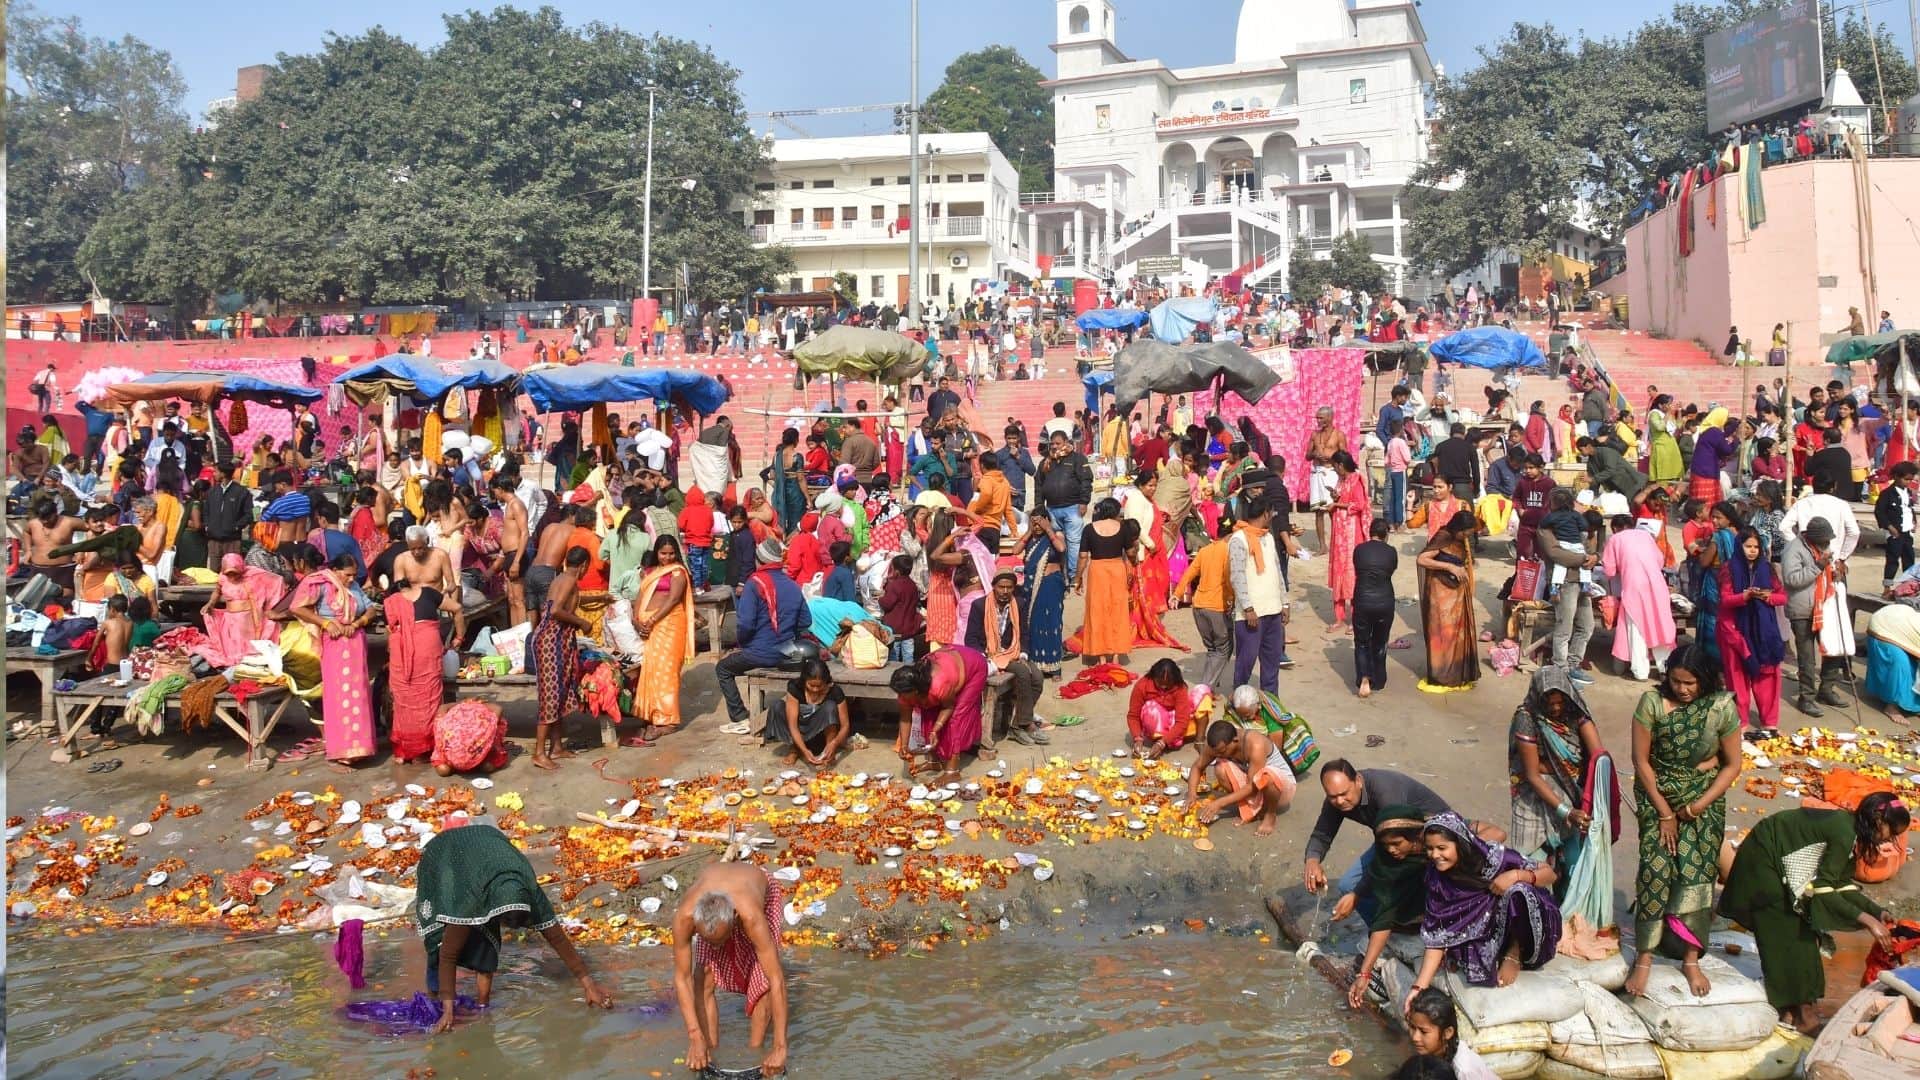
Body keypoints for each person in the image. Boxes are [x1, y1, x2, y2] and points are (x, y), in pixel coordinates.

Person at [1725, 794, 1911, 1030]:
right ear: (1877, 819)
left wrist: (1876, 912)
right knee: (1785, 929)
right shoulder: (1843, 832)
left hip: (1779, 861)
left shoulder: (1852, 834)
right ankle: (1800, 1013)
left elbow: (1841, 885)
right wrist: (1868, 922)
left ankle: (1797, 1011)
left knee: (1803, 933)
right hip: (1763, 857)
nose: (1891, 839)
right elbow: (1824, 889)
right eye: (1891, 832)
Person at [414, 823, 613, 1034]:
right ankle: (437, 997)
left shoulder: (528, 891)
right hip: (450, 854)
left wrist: (589, 986)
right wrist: (448, 1011)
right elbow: (449, 955)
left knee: (487, 941)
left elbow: (558, 939)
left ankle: (483, 1007)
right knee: (439, 941)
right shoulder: (468, 900)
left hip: (490, 852)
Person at [1626, 646, 1744, 999]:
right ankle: (1645, 956)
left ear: (1704, 680)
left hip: (1703, 802)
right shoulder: (1651, 704)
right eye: (1676, 681)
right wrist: (1664, 812)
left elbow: (1731, 765)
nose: (1682, 689)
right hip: (1656, 796)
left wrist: (1694, 808)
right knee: (1655, 872)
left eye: (1690, 683)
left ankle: (1691, 957)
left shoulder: (1721, 707)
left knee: (1697, 877)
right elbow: (1641, 761)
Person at [1409, 811, 1562, 995]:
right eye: (1430, 848)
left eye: (1442, 848)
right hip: (1485, 928)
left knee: (1519, 891)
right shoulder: (1437, 879)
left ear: (1460, 843)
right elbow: (1437, 935)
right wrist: (1418, 988)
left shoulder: (1492, 856)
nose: (1435, 855)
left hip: (1521, 922)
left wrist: (1516, 875)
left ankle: (1514, 954)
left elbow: (1550, 874)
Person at [1507, 667, 1615, 902]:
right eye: (1550, 703)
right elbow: (1533, 774)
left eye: (1560, 702)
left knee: (1573, 870)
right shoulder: (1526, 717)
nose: (1556, 708)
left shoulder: (1576, 712)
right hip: (1533, 800)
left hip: (1571, 794)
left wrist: (1597, 801)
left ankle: (1567, 924)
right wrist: (1566, 812)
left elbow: (1598, 758)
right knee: (1531, 869)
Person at [674, 863, 791, 1075]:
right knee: (702, 977)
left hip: (758, 893)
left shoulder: (750, 916)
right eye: (710, 941)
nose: (717, 948)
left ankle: (754, 1055)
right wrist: (695, 1036)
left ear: (735, 919)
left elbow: (776, 980)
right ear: (696, 924)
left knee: (762, 982)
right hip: (716, 900)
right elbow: (682, 979)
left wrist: (780, 1048)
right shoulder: (686, 917)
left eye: (720, 941)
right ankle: (708, 1052)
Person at [1303, 760, 1459, 895]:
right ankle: (1389, 925)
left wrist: (1359, 893)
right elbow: (1321, 834)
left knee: (1406, 888)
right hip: (1390, 841)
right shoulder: (1336, 799)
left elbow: (1396, 846)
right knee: (1348, 886)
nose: (1339, 801)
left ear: (1357, 780)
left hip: (1431, 835)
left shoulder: (1385, 792)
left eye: (1344, 793)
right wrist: (1312, 861)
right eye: (1332, 796)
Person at [289, 553, 377, 771]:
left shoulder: (354, 586)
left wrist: (358, 623)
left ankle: (360, 750)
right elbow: (297, 607)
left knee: (359, 695)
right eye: (347, 575)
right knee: (338, 696)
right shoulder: (320, 583)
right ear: (336, 571)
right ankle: (339, 753)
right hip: (334, 644)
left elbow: (371, 608)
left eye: (353, 575)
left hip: (355, 643)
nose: (350, 579)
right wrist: (325, 623)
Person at [715, 538, 807, 736]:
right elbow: (805, 621)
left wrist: (745, 643)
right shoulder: (792, 585)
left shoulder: (754, 583)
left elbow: (745, 624)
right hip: (787, 651)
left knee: (722, 668)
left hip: (762, 651)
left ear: (759, 561)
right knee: (749, 662)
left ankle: (740, 717)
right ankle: (757, 713)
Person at [964, 568, 1050, 747]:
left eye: (1009, 587)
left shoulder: (1019, 603)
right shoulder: (980, 605)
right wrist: (984, 659)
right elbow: (970, 638)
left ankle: (1017, 723)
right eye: (1001, 587)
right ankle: (1025, 725)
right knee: (1022, 673)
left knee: (1038, 677)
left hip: (1014, 651)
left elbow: (1025, 632)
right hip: (990, 654)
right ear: (993, 586)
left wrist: (1024, 652)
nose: (1005, 591)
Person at [1718, 526, 1787, 732]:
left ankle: (1769, 721)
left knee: (1767, 675)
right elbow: (1724, 599)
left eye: (1756, 547)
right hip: (1734, 629)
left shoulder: (1768, 569)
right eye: (1748, 546)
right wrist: (1744, 596)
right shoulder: (1728, 568)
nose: (1752, 550)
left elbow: (1782, 596)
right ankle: (1741, 721)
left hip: (1764, 632)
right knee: (1737, 676)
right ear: (1740, 546)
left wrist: (1768, 597)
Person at [1781, 517, 1851, 718]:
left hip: (1825, 607)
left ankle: (1826, 690)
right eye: (1823, 541)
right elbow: (1792, 579)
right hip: (1802, 610)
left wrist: (1837, 573)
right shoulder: (1793, 549)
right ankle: (1807, 698)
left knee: (1833, 650)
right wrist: (1818, 566)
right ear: (1812, 539)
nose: (1827, 544)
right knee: (1807, 658)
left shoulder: (1825, 548)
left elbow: (1828, 572)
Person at [629, 534, 695, 744]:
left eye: (671, 553)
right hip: (648, 626)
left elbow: (674, 599)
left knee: (666, 671)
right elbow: (639, 597)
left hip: (669, 625)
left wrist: (653, 620)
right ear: (656, 553)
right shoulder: (650, 572)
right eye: (663, 553)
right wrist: (637, 621)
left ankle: (667, 720)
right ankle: (651, 714)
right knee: (650, 669)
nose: (667, 557)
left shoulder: (678, 572)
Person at [530, 546, 592, 769]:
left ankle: (556, 747)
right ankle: (539, 752)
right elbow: (556, 610)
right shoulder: (568, 581)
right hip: (551, 640)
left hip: (558, 640)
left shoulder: (560, 579)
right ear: (584, 565)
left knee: (560, 693)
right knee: (551, 696)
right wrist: (582, 622)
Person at [891, 646, 990, 783]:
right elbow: (905, 719)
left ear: (916, 691)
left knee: (956, 717)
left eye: (904, 694)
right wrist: (904, 746)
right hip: (949, 660)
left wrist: (936, 729)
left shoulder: (939, 685)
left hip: (974, 666)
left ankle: (952, 771)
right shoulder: (905, 692)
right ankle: (934, 762)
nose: (901, 697)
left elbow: (949, 707)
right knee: (927, 713)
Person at [1189, 712, 1294, 834]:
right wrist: (1191, 794)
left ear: (1235, 740)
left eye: (1222, 751)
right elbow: (1197, 767)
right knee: (1220, 767)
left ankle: (1270, 815)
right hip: (1253, 782)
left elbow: (1252, 787)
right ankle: (1250, 809)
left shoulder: (1256, 744)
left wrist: (1219, 803)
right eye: (1215, 752)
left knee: (1266, 777)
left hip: (1280, 789)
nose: (1217, 755)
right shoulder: (1215, 744)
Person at [1601, 515, 1676, 680]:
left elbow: (1609, 571)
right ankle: (1665, 667)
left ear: (1614, 528)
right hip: (1658, 585)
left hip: (1634, 587)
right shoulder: (1646, 536)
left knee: (1636, 628)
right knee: (1660, 623)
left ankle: (1641, 671)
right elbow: (1659, 561)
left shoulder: (1614, 539)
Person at [385, 577, 448, 765]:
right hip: (427, 651)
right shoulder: (429, 593)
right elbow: (457, 608)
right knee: (428, 700)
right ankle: (426, 749)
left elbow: (391, 633)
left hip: (401, 658)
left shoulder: (391, 604)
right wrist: (459, 638)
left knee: (404, 702)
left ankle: (405, 751)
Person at [1228, 496, 1289, 693]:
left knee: (1271, 663)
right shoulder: (1238, 539)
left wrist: (1284, 603)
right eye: (1271, 513)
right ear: (1266, 514)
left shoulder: (1268, 537)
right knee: (1246, 661)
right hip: (1251, 613)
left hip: (1272, 609)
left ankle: (1272, 705)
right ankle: (1240, 701)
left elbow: (1277, 570)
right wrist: (1248, 607)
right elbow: (1237, 576)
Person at [1416, 511, 1480, 691]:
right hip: (1441, 592)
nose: (1467, 536)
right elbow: (1422, 559)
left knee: (1456, 634)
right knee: (1442, 633)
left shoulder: (1460, 539)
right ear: (1457, 529)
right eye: (1465, 533)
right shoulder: (1443, 536)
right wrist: (1449, 566)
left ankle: (1457, 673)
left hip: (1457, 594)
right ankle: (1441, 674)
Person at [1074, 497, 1137, 666]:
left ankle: (1101, 656)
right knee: (1118, 610)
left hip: (1097, 571)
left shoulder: (1089, 529)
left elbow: (1082, 556)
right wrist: (1134, 562)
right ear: (1115, 511)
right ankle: (1116, 655)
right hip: (1117, 569)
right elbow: (1131, 552)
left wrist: (1077, 578)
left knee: (1097, 610)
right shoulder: (1123, 529)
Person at [1177, 516, 1237, 694]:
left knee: (1212, 649)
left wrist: (1176, 594)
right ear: (1231, 535)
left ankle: (1211, 684)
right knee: (1223, 648)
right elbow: (1228, 580)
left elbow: (1189, 573)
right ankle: (1205, 689)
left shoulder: (1205, 551)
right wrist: (1233, 599)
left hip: (1199, 607)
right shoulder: (1228, 552)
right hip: (1216, 607)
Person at [763, 657, 851, 769]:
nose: (815, 689)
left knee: (830, 707)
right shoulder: (795, 687)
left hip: (819, 733)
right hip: (799, 729)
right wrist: (804, 750)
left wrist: (835, 743)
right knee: (777, 706)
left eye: (819, 686)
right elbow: (793, 726)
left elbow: (846, 726)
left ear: (826, 681)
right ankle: (795, 749)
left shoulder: (835, 692)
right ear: (804, 680)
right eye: (811, 685)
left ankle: (828, 752)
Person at [1402, 987, 1501, 1080]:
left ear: (1447, 1033)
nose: (1415, 1037)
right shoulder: (1432, 1051)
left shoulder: (1464, 1071)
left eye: (1423, 1031)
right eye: (1412, 1027)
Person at [1038, 428, 1093, 585]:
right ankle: (1057, 575)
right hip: (1051, 510)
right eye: (1052, 443)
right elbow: (1038, 485)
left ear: (1066, 443)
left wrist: (1084, 502)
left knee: (1074, 542)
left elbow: (1086, 481)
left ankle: (1074, 577)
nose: (1054, 446)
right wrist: (1039, 507)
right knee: (1053, 542)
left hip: (1072, 508)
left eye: (1058, 443)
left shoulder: (1077, 459)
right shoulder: (1046, 462)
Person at [1351, 520, 1398, 697]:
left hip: (1362, 599)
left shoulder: (1359, 549)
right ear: (1386, 534)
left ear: (1370, 532)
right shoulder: (1391, 551)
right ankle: (1378, 679)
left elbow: (1358, 569)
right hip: (1384, 600)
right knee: (1380, 641)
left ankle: (1364, 678)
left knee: (1362, 641)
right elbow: (1391, 570)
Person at [1325, 450, 1370, 630]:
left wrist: (1337, 504)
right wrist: (1335, 498)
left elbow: (1359, 505)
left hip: (1352, 532)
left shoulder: (1356, 479)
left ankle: (1355, 618)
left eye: (1335, 468)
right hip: (1339, 531)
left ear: (1341, 466)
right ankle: (1339, 617)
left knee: (1352, 571)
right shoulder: (1341, 480)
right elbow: (1344, 498)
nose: (1335, 471)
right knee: (1339, 570)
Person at [1125, 659, 1196, 758]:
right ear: (1153, 677)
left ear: (1175, 680)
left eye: (1168, 684)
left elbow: (1182, 721)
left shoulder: (1180, 688)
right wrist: (1137, 738)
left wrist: (1162, 742)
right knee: (1151, 709)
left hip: (1174, 720)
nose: (1163, 686)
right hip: (1156, 721)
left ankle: (1197, 740)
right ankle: (1158, 738)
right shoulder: (1142, 685)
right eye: (1160, 682)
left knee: (1203, 691)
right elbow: (1133, 716)